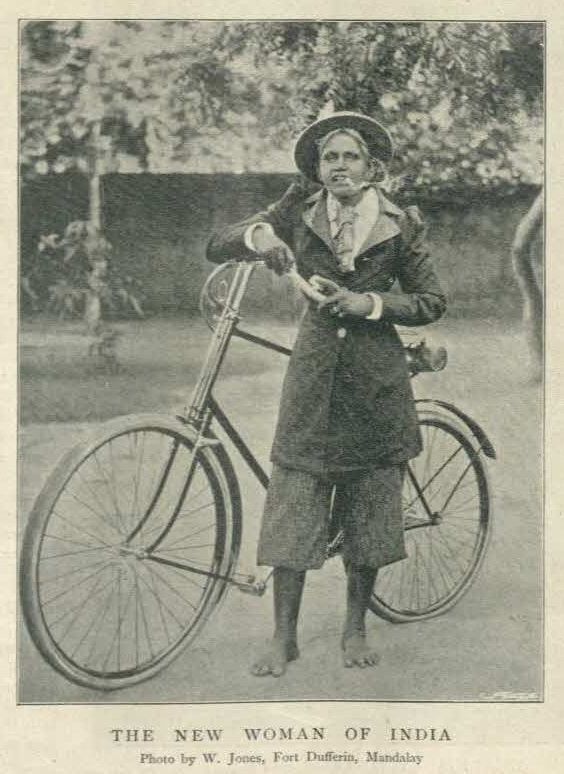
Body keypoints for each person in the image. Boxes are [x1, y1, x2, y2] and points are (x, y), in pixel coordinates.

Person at [207, 112, 446, 676]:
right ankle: (283, 637)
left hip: (375, 379)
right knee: (294, 496)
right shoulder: (298, 210)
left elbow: (431, 300)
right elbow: (219, 244)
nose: (339, 166)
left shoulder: (400, 223)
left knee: (370, 503)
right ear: (317, 170)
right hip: (313, 375)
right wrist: (262, 236)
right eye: (329, 158)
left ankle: (355, 628)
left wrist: (371, 304)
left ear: (371, 167)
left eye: (349, 156)